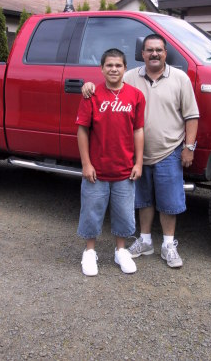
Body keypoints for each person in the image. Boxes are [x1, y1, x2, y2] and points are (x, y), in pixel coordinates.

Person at [82, 34, 199, 268]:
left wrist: (189, 147)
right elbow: (109, 82)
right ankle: (145, 241)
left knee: (169, 201)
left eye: (159, 50)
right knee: (143, 200)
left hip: (168, 151)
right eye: (149, 50)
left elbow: (192, 115)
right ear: (142, 54)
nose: (154, 54)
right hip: (136, 156)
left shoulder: (180, 78)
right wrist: (89, 85)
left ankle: (168, 244)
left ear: (166, 53)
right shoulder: (130, 76)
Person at [76, 48, 146, 276]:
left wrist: (138, 163)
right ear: (102, 69)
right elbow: (82, 131)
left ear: (125, 69)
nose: (114, 69)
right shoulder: (91, 95)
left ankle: (121, 251)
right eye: (109, 65)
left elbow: (138, 130)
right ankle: (89, 252)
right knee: (91, 212)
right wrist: (86, 164)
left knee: (124, 214)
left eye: (118, 65)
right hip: (97, 171)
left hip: (125, 170)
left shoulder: (136, 96)